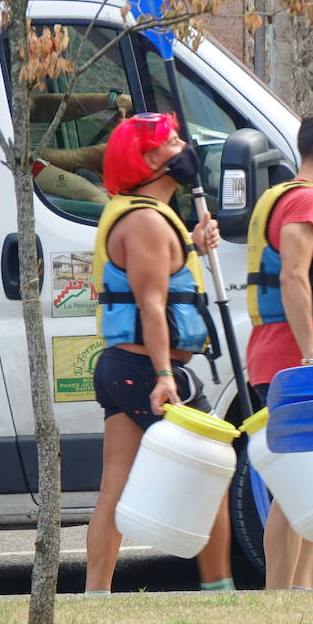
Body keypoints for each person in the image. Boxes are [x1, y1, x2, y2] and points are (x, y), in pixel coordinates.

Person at [84, 111, 234, 595]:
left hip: (125, 366)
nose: (183, 147)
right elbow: (151, 305)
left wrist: (191, 244)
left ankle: (95, 595)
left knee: (115, 487)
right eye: (171, 142)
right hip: (147, 370)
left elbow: (153, 272)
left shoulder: (143, 216)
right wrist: (166, 375)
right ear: (148, 160)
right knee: (212, 474)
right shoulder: (146, 221)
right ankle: (220, 591)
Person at [245, 108, 313, 590]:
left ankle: (297, 591)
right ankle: (285, 594)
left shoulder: (289, 196)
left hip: (281, 358)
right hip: (291, 361)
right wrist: (311, 354)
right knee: (301, 488)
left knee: (308, 486)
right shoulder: (307, 201)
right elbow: (293, 275)